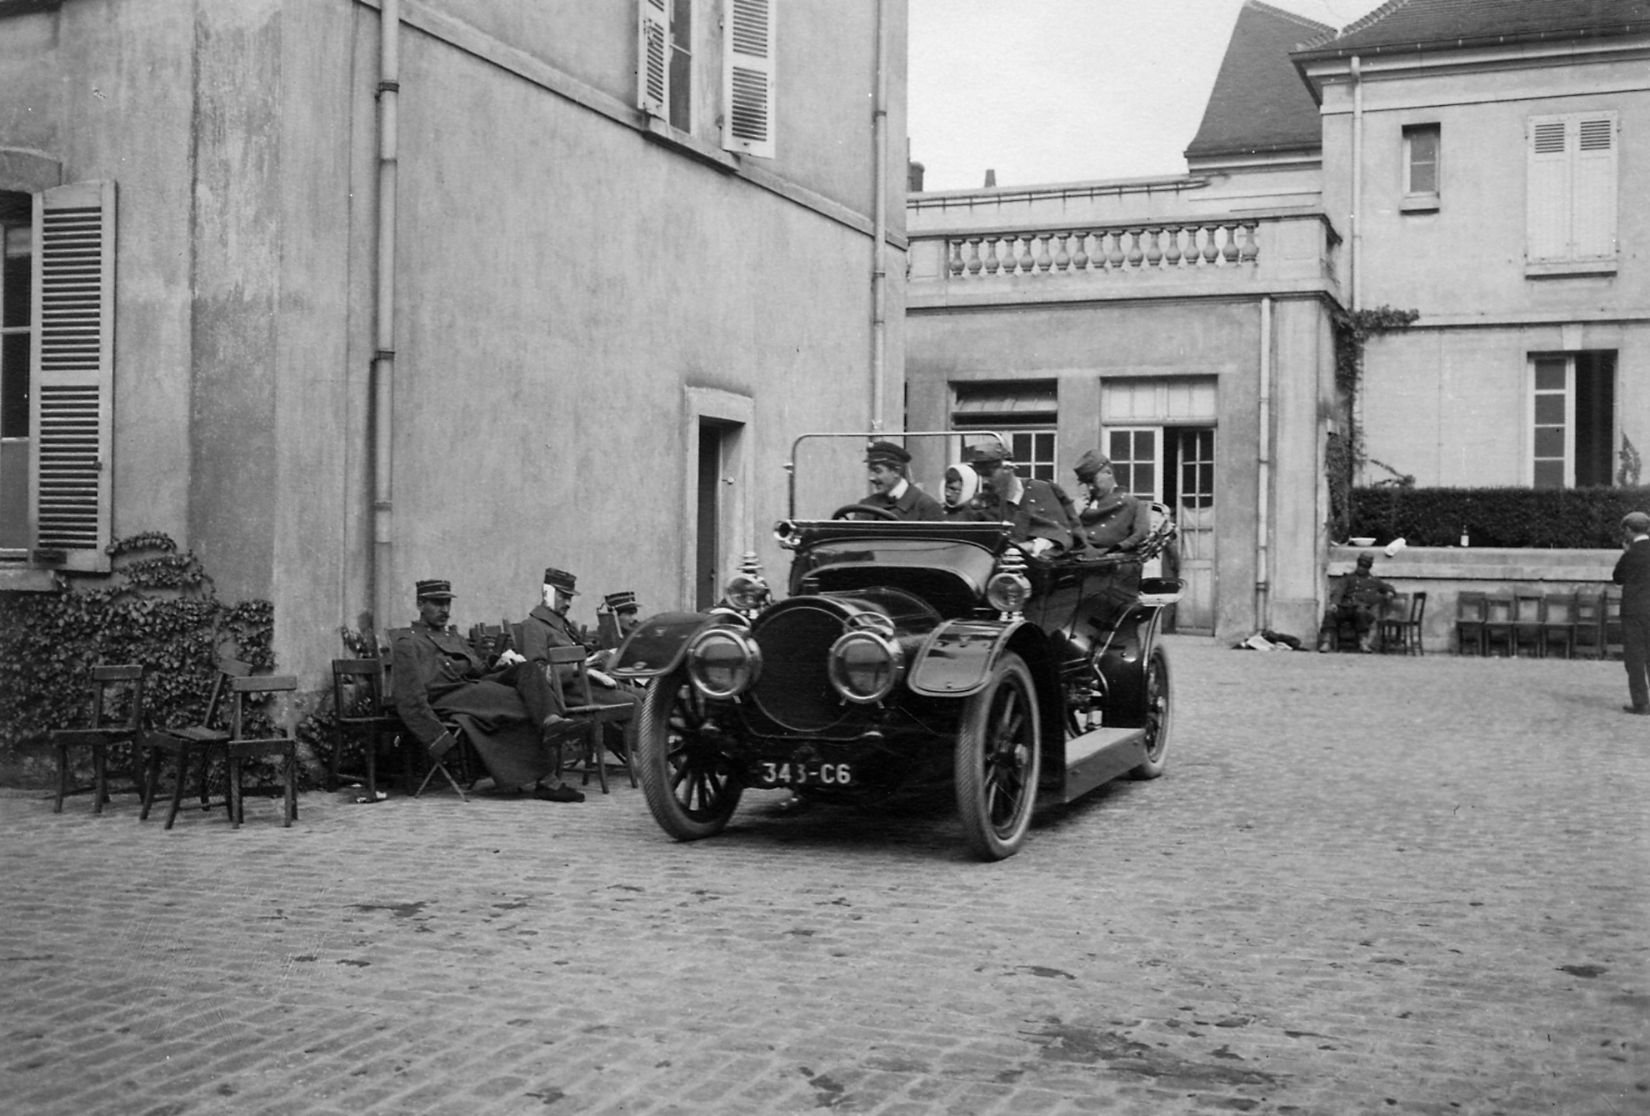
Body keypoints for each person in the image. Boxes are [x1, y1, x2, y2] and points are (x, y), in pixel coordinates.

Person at [392, 579, 584, 802]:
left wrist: (500, 661)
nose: (445, 610)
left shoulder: (452, 636)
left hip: (472, 686)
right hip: (446, 695)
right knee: (517, 701)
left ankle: (552, 721)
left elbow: (479, 669)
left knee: (529, 670)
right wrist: (437, 739)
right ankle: (547, 780)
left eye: (447, 603)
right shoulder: (408, 643)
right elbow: (409, 696)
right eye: (437, 603)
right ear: (419, 604)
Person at [520, 567, 644, 758]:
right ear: (548, 593)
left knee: (648, 696)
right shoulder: (533, 626)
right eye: (563, 596)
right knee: (633, 702)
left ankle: (663, 751)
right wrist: (583, 667)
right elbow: (537, 671)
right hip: (570, 691)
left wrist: (597, 659)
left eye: (570, 597)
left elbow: (582, 655)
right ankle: (650, 759)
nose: (568, 603)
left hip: (591, 684)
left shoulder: (562, 624)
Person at [967, 442, 1084, 555]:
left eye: (989, 474)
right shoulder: (984, 502)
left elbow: (1059, 535)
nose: (985, 481)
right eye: (981, 475)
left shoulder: (1039, 491)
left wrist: (1026, 547)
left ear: (1007, 468)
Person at [1072, 449, 1150, 553]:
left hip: (1110, 561)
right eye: (1085, 483)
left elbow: (1141, 534)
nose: (1090, 488)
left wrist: (1116, 549)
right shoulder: (1081, 505)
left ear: (1108, 473)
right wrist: (1074, 513)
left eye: (1092, 481)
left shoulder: (1131, 503)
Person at [1612, 510, 1650, 714]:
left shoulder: (1631, 553)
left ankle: (1641, 703)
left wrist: (1625, 554)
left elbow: (1617, 577)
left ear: (1628, 530)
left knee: (1635, 658)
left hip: (1634, 611)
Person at [1320, 553, 1396, 653]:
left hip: (1362, 610)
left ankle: (1363, 642)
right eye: (1360, 565)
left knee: (1361, 612)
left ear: (1369, 567)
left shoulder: (1374, 581)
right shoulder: (1348, 578)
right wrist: (1334, 603)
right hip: (1346, 607)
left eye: (1364, 567)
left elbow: (1388, 587)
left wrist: (1390, 592)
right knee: (1330, 612)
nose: (1361, 568)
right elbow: (1339, 591)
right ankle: (1327, 642)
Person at [858, 440, 944, 521]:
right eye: (870, 470)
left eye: (877, 471)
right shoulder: (866, 505)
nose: (871, 478)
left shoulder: (926, 507)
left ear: (896, 471)